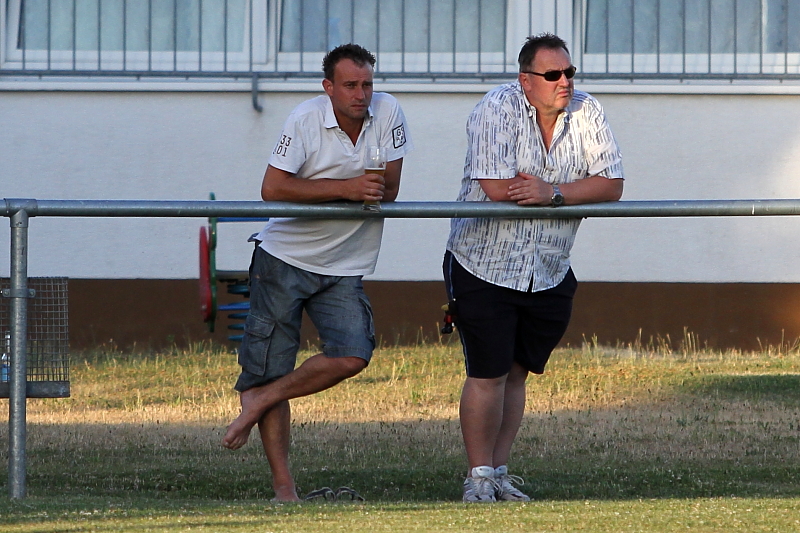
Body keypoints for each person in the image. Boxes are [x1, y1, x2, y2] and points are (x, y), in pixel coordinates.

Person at [222, 43, 413, 502]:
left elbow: (388, 190)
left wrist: (362, 190)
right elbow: (272, 189)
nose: (361, 94)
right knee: (269, 368)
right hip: (282, 260)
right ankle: (284, 489)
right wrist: (346, 189)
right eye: (350, 85)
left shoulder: (389, 112)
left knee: (353, 354)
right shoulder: (305, 118)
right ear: (328, 87)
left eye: (367, 84)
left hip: (344, 265)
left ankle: (262, 399)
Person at [443, 33, 624, 503]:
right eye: (553, 74)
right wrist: (564, 191)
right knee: (488, 372)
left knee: (518, 371)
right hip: (483, 262)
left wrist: (553, 192)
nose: (565, 82)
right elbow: (496, 186)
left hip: (548, 267)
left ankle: (499, 472)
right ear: (526, 80)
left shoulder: (588, 110)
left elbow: (611, 185)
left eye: (569, 72)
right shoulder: (496, 108)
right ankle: (478, 477)